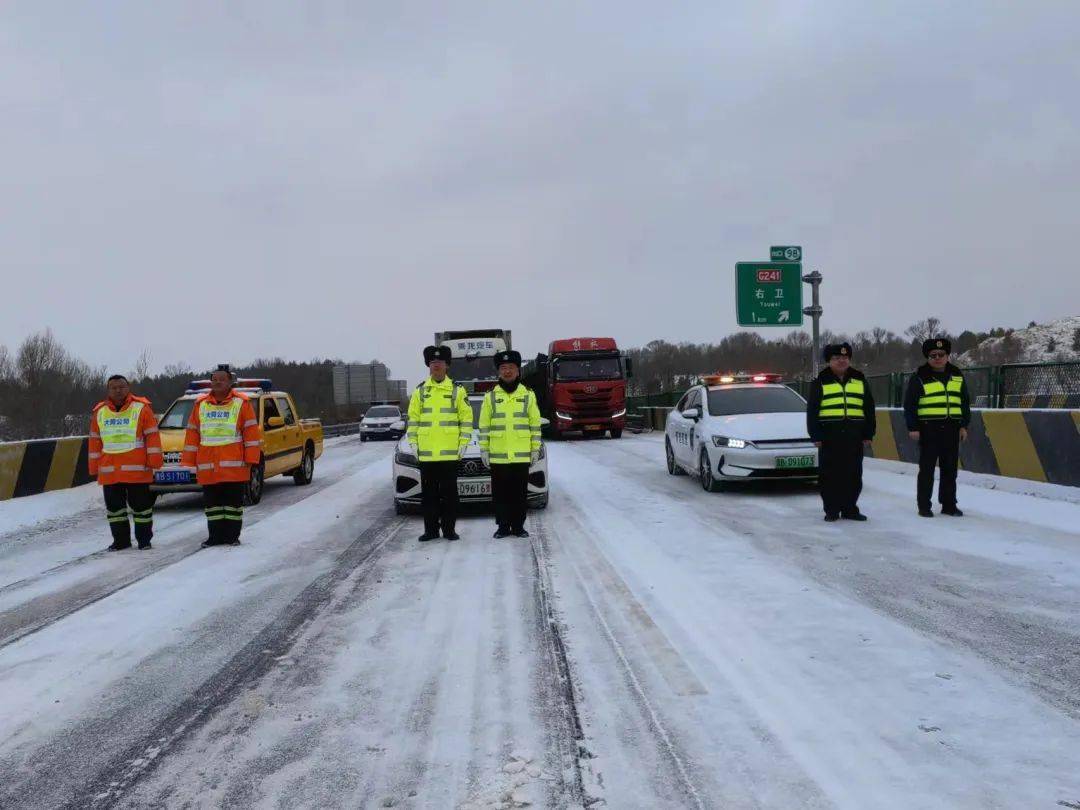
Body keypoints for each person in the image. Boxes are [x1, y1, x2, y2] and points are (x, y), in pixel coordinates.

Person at [181, 365, 262, 547]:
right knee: (213, 505)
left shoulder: (242, 403)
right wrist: (189, 460)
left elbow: (250, 433)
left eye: (221, 379)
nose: (217, 382)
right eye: (214, 379)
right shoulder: (200, 405)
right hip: (208, 464)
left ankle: (232, 536)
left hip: (235, 465)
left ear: (230, 382)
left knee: (233, 505)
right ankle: (215, 537)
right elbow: (193, 433)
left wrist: (251, 460)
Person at [88, 375, 163, 550]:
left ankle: (144, 541)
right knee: (115, 511)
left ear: (128, 388)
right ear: (108, 390)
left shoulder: (142, 408)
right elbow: (95, 442)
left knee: (142, 509)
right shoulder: (100, 412)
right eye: (113, 388)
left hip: (137, 470)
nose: (118, 390)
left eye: (121, 387)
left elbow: (152, 436)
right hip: (110, 471)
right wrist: (94, 467)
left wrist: (154, 462)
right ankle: (120, 541)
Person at [406, 345, 473, 541]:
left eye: (440, 363)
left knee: (450, 496)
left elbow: (466, 419)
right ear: (429, 366)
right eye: (433, 363)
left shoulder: (457, 390)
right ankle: (431, 531)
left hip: (450, 454)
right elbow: (413, 420)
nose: (436, 366)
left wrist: (464, 443)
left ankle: (449, 530)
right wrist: (413, 443)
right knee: (429, 496)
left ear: (447, 366)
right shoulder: (420, 392)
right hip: (426, 454)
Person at [805, 343, 876, 522]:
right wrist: (816, 435)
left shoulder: (859, 379)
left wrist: (869, 433)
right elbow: (813, 411)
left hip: (854, 435)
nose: (841, 361)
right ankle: (831, 509)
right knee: (830, 475)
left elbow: (868, 407)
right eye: (836, 358)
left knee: (853, 474)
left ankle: (850, 508)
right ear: (829, 361)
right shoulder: (820, 381)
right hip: (830, 436)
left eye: (845, 358)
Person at [904, 337, 970, 517]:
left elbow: (964, 402)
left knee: (950, 470)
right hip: (928, 429)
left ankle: (949, 504)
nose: (938, 358)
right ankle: (924, 506)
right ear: (927, 357)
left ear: (948, 356)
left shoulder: (957, 375)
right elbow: (910, 405)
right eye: (933, 355)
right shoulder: (919, 377)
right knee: (927, 470)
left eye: (942, 354)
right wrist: (913, 427)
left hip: (952, 429)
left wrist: (964, 425)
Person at [479, 350, 542, 538]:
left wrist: (535, 448)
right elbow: (484, 425)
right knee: (500, 495)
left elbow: (535, 424)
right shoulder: (490, 396)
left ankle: (518, 527)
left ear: (518, 371)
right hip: (498, 456)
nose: (507, 371)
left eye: (511, 368)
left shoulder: (528, 395)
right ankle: (503, 527)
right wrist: (484, 449)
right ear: (499, 371)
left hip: (521, 455)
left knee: (519, 494)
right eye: (503, 368)